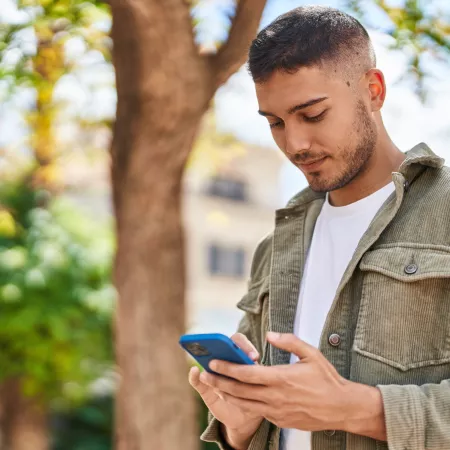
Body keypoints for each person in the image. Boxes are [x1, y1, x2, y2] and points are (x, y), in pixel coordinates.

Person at [188, 6, 450, 450]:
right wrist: (241, 426)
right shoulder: (278, 245)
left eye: (312, 114)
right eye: (275, 122)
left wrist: (355, 408)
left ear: (373, 90)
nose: (294, 143)